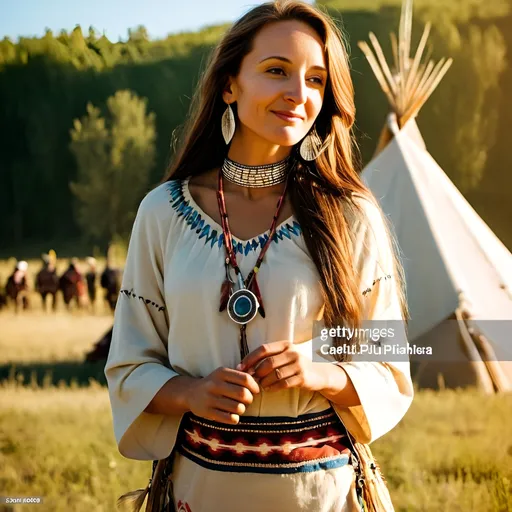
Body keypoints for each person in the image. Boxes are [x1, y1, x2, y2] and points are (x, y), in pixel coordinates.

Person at [105, 2, 414, 511]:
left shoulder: (350, 215)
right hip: (199, 490)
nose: (298, 94)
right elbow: (130, 364)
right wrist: (191, 392)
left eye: (316, 79)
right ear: (230, 85)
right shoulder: (163, 212)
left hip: (322, 493)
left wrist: (319, 367)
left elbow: (389, 349)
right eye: (277, 71)